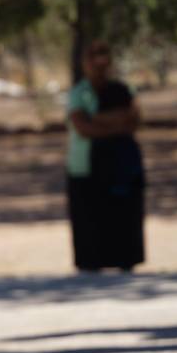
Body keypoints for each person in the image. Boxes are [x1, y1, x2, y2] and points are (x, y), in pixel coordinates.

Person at [65, 41, 145, 272]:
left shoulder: (122, 89)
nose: (98, 61)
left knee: (123, 217)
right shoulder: (80, 92)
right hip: (86, 167)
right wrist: (115, 125)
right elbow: (83, 126)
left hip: (120, 166)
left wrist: (101, 120)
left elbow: (134, 119)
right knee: (89, 222)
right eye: (92, 56)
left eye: (103, 55)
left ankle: (124, 261)